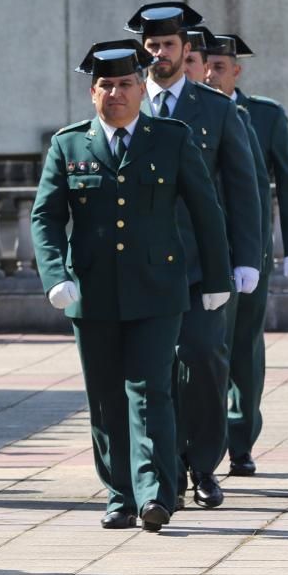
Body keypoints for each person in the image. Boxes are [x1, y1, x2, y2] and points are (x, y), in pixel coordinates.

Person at [32, 39, 231, 532]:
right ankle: (119, 492)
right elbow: (46, 218)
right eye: (106, 85)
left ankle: (154, 492)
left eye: (125, 84)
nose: (116, 93)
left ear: (141, 89)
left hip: (159, 290)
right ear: (91, 92)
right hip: (93, 293)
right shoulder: (69, 144)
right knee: (104, 396)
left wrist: (218, 278)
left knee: (150, 390)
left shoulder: (171, 138)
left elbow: (206, 212)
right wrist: (56, 275)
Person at [126, 2, 262, 509]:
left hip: (203, 265)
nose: (158, 54)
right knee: (153, 371)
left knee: (205, 359)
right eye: (152, 45)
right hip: (143, 267)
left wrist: (246, 257)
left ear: (188, 51)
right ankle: (165, 469)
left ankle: (202, 463)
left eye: (168, 45)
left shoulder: (217, 108)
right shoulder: (127, 102)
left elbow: (242, 187)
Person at [204, 32, 288, 478]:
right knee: (202, 347)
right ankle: (198, 441)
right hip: (201, 250)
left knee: (244, 347)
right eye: (203, 64)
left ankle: (240, 437)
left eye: (219, 67)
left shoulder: (263, 115)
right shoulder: (186, 112)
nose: (210, 75)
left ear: (236, 71)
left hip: (248, 250)